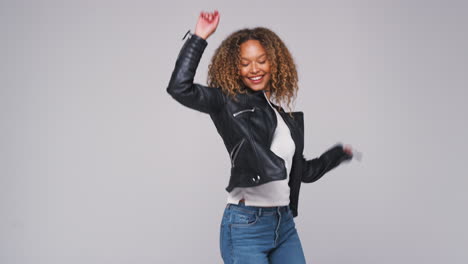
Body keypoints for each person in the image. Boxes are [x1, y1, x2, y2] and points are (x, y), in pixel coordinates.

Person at [167, 10, 355, 264]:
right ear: (235, 68)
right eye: (245, 63)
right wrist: (199, 37)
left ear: (273, 63)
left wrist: (336, 155)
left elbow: (301, 171)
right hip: (246, 226)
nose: (254, 69)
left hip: (284, 224)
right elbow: (179, 88)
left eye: (261, 61)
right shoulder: (226, 101)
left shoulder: (282, 116)